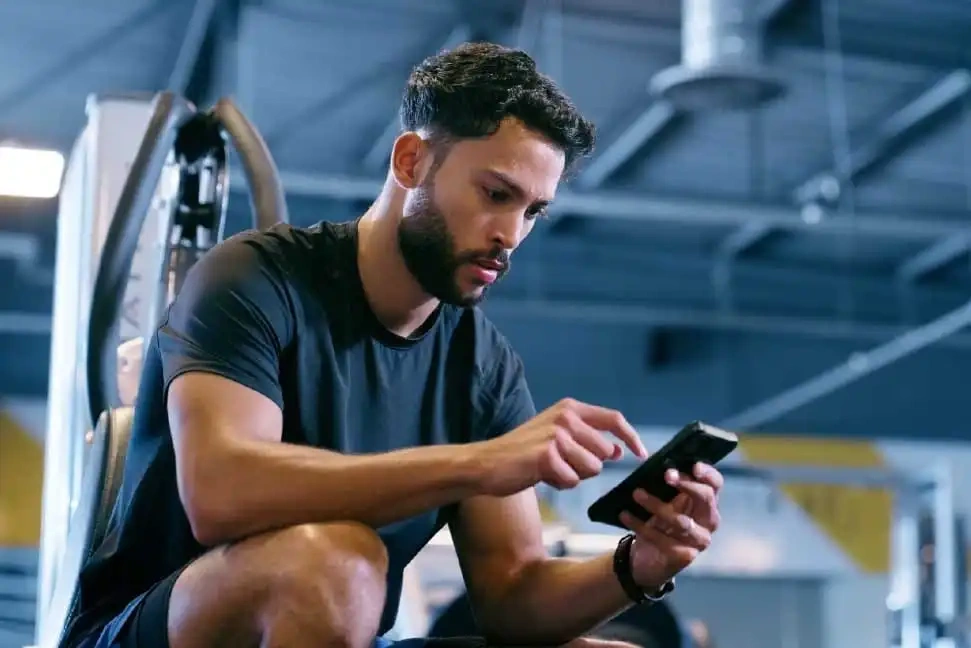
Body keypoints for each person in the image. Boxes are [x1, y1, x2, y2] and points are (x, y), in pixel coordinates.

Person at [64, 42, 724, 648]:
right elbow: (222, 492)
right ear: (411, 161)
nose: (510, 234)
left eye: (531, 211)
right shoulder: (254, 280)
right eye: (495, 194)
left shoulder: (482, 368)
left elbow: (511, 595)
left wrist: (635, 567)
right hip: (153, 628)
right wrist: (477, 462)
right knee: (334, 558)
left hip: (346, 631)